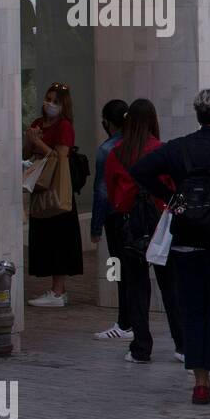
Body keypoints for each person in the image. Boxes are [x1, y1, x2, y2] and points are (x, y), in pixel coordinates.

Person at [131, 88, 210, 407]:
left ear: (198, 116)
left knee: (193, 311)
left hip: (185, 241)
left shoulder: (178, 148)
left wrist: (171, 198)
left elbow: (140, 169)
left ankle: (201, 385)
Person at [103, 98, 185, 364]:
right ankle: (182, 344)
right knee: (170, 285)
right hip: (160, 225)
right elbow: (174, 188)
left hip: (130, 225)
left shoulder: (117, 153)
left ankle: (141, 347)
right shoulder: (161, 150)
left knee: (136, 287)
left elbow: (112, 194)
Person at [25, 82, 84, 307]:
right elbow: (26, 153)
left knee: (60, 237)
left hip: (57, 188)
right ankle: (54, 289)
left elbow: (59, 157)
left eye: (55, 101)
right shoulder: (38, 124)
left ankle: (58, 291)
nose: (49, 104)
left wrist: (37, 141)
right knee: (44, 237)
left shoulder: (64, 126)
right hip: (39, 185)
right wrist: (31, 138)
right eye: (48, 99)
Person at [91, 98, 130, 340]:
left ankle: (126, 322)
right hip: (140, 217)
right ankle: (130, 321)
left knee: (120, 271)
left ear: (108, 122)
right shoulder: (141, 144)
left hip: (117, 217)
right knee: (132, 273)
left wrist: (96, 226)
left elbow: (101, 191)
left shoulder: (108, 150)